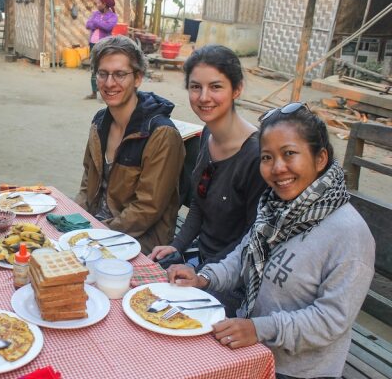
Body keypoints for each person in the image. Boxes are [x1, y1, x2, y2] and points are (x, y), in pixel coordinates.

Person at [168, 104, 375, 378]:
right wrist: (203, 278)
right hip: (253, 344)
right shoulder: (274, 208)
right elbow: (244, 255)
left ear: (320, 158)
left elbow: (330, 320)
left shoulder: (349, 234)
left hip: (298, 370)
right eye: (267, 157)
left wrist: (259, 328)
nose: (278, 168)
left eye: (289, 153)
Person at [149, 45, 267, 314]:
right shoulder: (206, 136)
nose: (204, 97)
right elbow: (198, 206)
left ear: (236, 89)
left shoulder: (256, 155)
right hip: (198, 259)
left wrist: (203, 274)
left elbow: (252, 239)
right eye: (195, 87)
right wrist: (176, 246)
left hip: (233, 278)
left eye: (216, 87)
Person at [75, 35, 184, 254]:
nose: (109, 83)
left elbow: (146, 209)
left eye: (120, 74)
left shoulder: (161, 134)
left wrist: (95, 235)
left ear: (138, 78)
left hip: (140, 241)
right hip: (98, 230)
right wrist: (72, 222)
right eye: (103, 74)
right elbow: (87, 187)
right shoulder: (99, 122)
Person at [84, 0, 117, 100]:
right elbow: (88, 24)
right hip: (93, 44)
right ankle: (94, 92)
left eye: (98, 3)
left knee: (104, 68)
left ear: (104, 4)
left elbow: (108, 27)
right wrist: (100, 22)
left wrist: (97, 22)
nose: (97, 4)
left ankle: (105, 93)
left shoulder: (113, 16)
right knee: (94, 67)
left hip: (104, 45)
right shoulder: (96, 14)